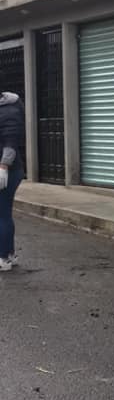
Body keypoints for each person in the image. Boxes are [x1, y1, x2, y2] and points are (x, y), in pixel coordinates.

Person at [0, 91, 25, 273]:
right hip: (7, 169)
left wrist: (3, 166)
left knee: (2, 214)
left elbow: (11, 142)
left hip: (7, 170)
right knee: (4, 213)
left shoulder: (9, 109)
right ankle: (9, 254)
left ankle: (3, 258)